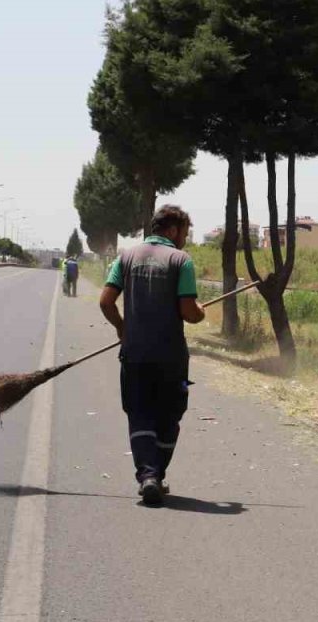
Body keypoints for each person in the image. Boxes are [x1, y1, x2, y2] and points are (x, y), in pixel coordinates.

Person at [99, 205, 206, 504]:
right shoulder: (181, 260)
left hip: (134, 355)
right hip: (171, 358)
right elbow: (188, 312)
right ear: (172, 230)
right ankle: (155, 473)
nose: (185, 239)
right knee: (170, 415)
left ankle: (148, 476)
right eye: (184, 232)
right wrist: (200, 314)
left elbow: (106, 302)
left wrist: (122, 329)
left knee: (139, 413)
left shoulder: (126, 257)